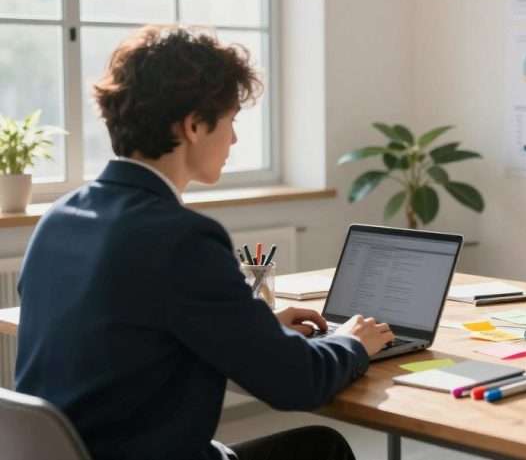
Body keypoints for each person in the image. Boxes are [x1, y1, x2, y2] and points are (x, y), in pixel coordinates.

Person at [16, 26, 394, 460]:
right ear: (194, 125)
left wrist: (260, 330)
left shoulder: (59, 219)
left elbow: (140, 333)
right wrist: (352, 341)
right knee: (321, 450)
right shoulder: (179, 238)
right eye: (231, 120)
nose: (233, 139)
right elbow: (298, 382)